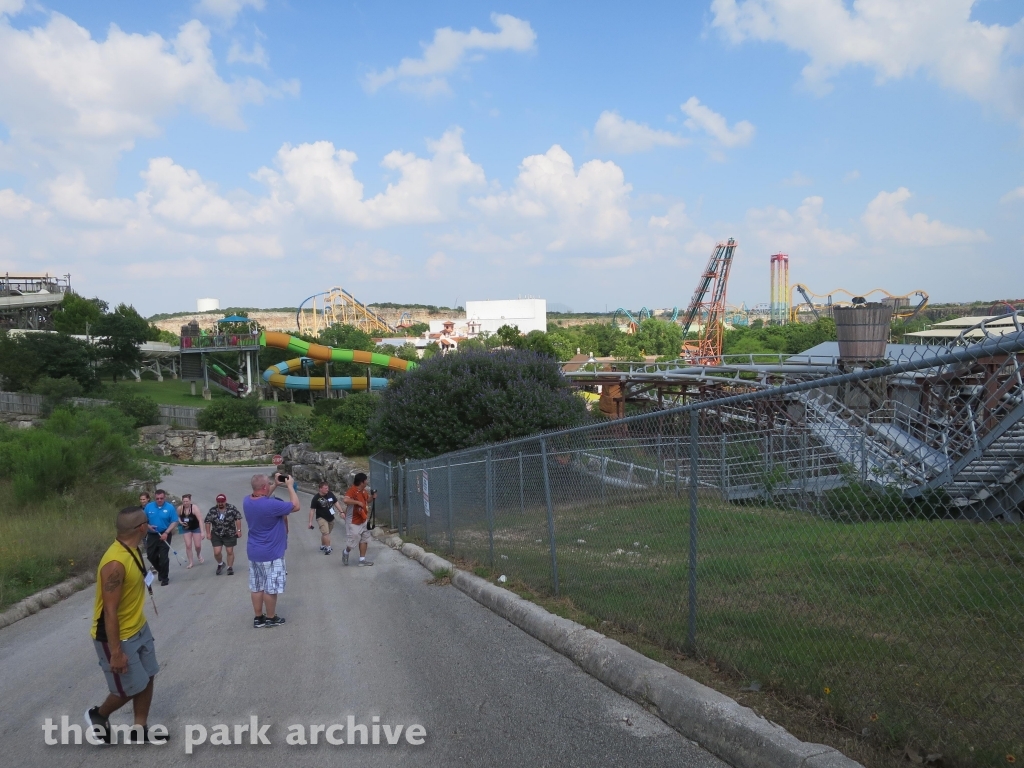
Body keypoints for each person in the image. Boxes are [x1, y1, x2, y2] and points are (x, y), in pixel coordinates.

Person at [84, 506, 160, 745]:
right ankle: (99, 715)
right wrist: (115, 652)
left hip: (139, 627)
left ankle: (139, 728)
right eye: (148, 522)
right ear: (142, 527)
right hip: (116, 637)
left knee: (148, 677)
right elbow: (109, 610)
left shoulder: (133, 548)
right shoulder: (115, 563)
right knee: (129, 688)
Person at [243, 474, 299, 628]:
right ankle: (271, 617)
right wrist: (289, 486)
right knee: (270, 588)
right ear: (264, 487)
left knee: (256, 586)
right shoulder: (272, 506)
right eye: (268, 484)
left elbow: (262, 496)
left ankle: (258, 618)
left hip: (254, 551)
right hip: (271, 553)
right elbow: (296, 505)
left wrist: (274, 484)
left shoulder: (247, 501)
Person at [143, 489, 177, 586]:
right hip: (152, 534)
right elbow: (143, 520)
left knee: (163, 557)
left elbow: (174, 521)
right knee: (151, 555)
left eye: (161, 498)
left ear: (164, 497)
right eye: (157, 498)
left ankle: (164, 578)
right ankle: (161, 571)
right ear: (154, 498)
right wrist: (149, 526)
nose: (159, 500)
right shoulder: (149, 507)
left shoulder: (170, 508)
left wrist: (166, 532)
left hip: (165, 534)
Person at [342, 473, 377, 567]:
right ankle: (346, 552)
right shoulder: (352, 490)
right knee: (353, 541)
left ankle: (362, 560)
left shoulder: (364, 491)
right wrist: (357, 502)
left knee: (364, 539)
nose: (367, 482)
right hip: (353, 521)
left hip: (363, 519)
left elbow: (367, 501)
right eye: (366, 480)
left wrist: (372, 497)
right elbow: (345, 500)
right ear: (362, 482)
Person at [205, 494, 242, 576]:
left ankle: (230, 567)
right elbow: (207, 522)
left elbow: (238, 518)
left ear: (225, 501)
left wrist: (238, 530)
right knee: (217, 552)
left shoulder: (232, 508)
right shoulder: (212, 510)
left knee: (229, 551)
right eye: (219, 502)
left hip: (230, 533)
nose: (220, 503)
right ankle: (220, 563)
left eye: (222, 502)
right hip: (216, 534)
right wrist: (208, 533)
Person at [308, 481, 344, 555]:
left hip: (330, 517)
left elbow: (336, 502)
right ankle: (328, 547)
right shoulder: (316, 498)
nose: (327, 489)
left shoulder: (330, 494)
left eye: (328, 488)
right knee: (326, 533)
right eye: (325, 488)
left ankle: (323, 545)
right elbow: (312, 510)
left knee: (326, 533)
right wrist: (310, 522)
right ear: (320, 489)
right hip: (321, 517)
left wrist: (341, 512)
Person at [177, 494, 204, 568]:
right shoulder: (180, 508)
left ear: (190, 501)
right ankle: (191, 562)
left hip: (195, 528)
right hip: (186, 529)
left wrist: (202, 532)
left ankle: (198, 554)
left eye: (187, 501)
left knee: (197, 546)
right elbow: (177, 516)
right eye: (184, 501)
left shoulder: (194, 508)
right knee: (188, 545)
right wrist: (180, 522)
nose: (185, 503)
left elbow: (200, 520)